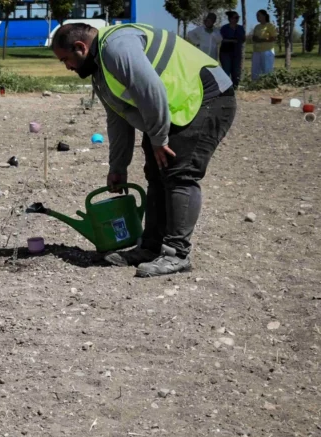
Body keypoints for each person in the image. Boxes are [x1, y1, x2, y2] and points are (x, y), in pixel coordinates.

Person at [51, 22, 236, 278]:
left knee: (179, 172)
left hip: (207, 97)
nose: (68, 67)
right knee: (156, 172)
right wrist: (118, 167)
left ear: (80, 47)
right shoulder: (100, 70)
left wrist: (159, 139)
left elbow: (151, 89)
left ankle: (176, 254)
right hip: (174, 107)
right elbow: (118, 119)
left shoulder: (116, 47)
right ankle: (151, 248)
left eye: (66, 60)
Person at [219, 11, 246, 87]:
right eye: (235, 17)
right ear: (230, 19)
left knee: (236, 71)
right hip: (225, 52)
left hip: (236, 52)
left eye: (238, 17)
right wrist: (232, 40)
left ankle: (235, 86)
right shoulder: (224, 28)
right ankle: (226, 87)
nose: (237, 19)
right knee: (226, 70)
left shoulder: (240, 28)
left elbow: (243, 39)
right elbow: (221, 39)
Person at [251, 10, 278, 81]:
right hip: (257, 51)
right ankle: (255, 83)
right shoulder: (257, 26)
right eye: (256, 16)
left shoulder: (270, 26)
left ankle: (267, 82)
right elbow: (254, 37)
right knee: (256, 68)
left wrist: (262, 40)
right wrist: (255, 38)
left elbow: (274, 38)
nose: (257, 17)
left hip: (267, 50)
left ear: (264, 16)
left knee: (267, 68)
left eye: (258, 15)